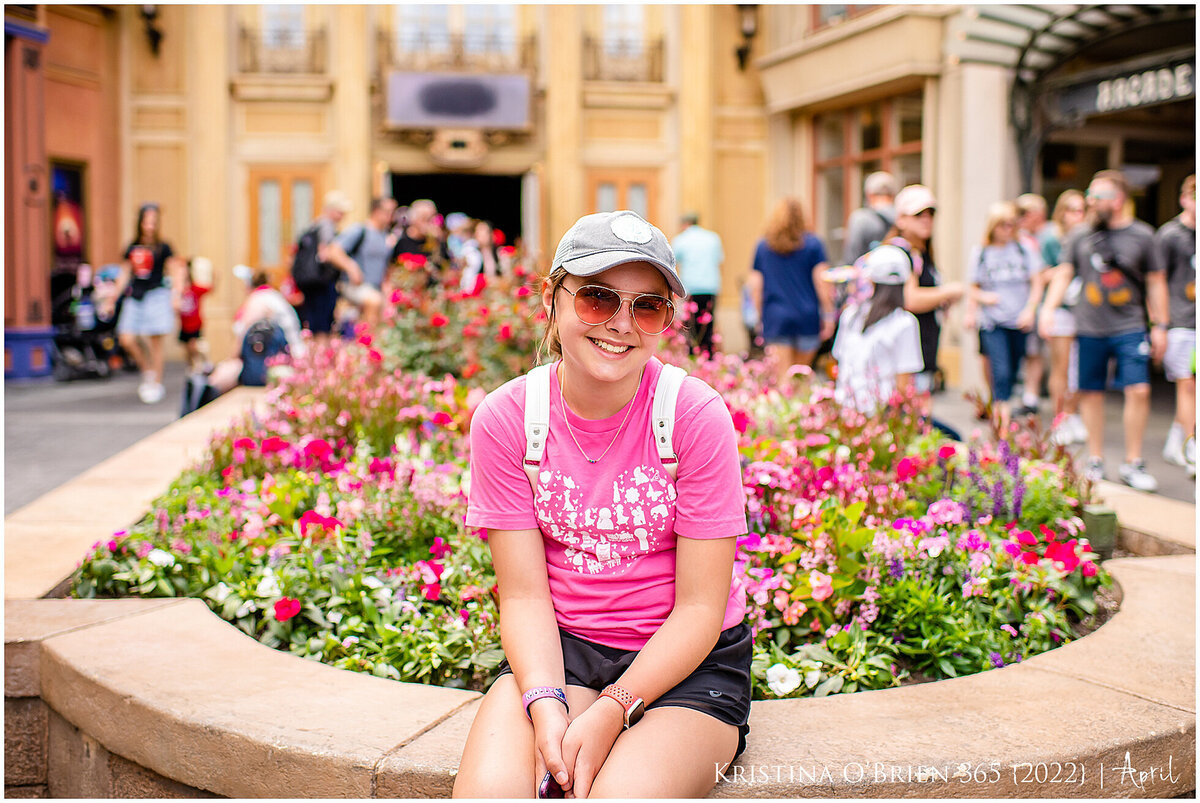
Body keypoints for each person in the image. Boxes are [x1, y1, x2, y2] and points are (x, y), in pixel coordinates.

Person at [455, 210, 750, 799]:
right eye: (596, 298)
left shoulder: (693, 416)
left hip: (688, 664)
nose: (621, 324)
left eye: (647, 306)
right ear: (552, 298)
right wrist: (544, 702)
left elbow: (699, 607)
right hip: (560, 652)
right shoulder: (508, 419)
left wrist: (614, 707)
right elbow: (522, 593)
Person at [1039, 169, 1169, 491]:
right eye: (1090, 195)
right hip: (1090, 326)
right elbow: (1065, 273)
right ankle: (1095, 458)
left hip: (1130, 325)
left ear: (1119, 199)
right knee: (1091, 392)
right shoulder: (1081, 235)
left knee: (1138, 389)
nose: (1091, 201)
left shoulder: (1143, 235)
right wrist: (1048, 308)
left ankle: (1133, 461)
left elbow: (1155, 282)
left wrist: (1161, 325)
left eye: (1098, 196)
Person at [964, 201, 1047, 432]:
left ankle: (1002, 411)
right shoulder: (981, 253)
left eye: (1011, 225)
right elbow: (972, 287)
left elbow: (1037, 283)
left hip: (1018, 321)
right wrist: (979, 303)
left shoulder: (1024, 249)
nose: (1007, 230)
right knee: (999, 371)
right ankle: (1001, 424)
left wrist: (1030, 309)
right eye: (1002, 225)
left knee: (1012, 370)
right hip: (993, 321)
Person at [102, 202, 185, 404]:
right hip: (136, 295)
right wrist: (112, 299)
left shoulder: (163, 247)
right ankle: (147, 371)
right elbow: (124, 274)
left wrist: (176, 294)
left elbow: (176, 270)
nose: (149, 226)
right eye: (146, 222)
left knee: (156, 341)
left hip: (156, 295)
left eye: (153, 222)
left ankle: (156, 382)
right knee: (126, 338)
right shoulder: (132, 247)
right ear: (140, 223)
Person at [746, 197, 836, 383]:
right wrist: (828, 315)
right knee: (801, 377)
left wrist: (759, 315)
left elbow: (755, 285)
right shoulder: (813, 245)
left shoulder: (763, 246)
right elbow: (822, 281)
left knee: (782, 378)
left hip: (776, 316)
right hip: (807, 316)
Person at [886, 185, 964, 398]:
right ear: (901, 219)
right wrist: (947, 292)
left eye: (930, 214)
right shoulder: (899, 253)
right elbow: (910, 299)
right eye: (918, 214)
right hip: (907, 356)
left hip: (924, 348)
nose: (926, 219)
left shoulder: (922, 253)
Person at [832, 244, 924, 413]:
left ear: (870, 280)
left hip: (845, 412)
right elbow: (903, 387)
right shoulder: (904, 322)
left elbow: (840, 366)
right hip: (880, 417)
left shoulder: (851, 316)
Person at [207, 266, 306, 395]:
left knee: (217, 380)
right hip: (292, 357)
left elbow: (242, 335)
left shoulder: (258, 300)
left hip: (279, 363)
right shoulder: (274, 297)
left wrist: (231, 359)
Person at [1156, 174, 1196, 475]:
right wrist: (1161, 324)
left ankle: (1176, 440)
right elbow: (1155, 281)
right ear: (1185, 199)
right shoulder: (1170, 236)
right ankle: (1189, 444)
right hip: (1180, 322)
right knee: (1188, 384)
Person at [1042, 189, 1088, 446]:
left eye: (1081, 209)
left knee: (1080, 368)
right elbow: (1042, 275)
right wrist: (1066, 269)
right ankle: (1060, 416)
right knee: (1061, 366)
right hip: (1061, 309)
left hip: (1084, 310)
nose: (1077, 215)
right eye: (1072, 209)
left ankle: (1073, 413)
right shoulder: (1052, 239)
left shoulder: (1088, 237)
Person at [296, 190, 361, 343]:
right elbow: (327, 253)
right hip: (322, 281)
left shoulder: (313, 225)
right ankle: (321, 357)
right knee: (323, 323)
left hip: (311, 282)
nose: (342, 216)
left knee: (314, 322)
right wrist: (349, 266)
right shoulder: (327, 227)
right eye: (340, 212)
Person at [335, 196, 397, 329]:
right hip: (354, 285)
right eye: (387, 212)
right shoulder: (359, 230)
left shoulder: (386, 235)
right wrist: (351, 267)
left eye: (392, 212)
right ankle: (368, 341)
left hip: (376, 287)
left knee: (388, 310)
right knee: (374, 301)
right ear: (376, 211)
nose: (390, 216)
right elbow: (333, 251)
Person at [1015, 193, 1050, 416]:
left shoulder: (1049, 237)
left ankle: (1031, 394)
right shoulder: (1018, 238)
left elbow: (1061, 267)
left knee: (1034, 352)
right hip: (1018, 303)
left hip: (1039, 303)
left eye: (1026, 214)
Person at [671, 211, 725, 357]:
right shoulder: (713, 238)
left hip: (691, 289)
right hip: (710, 288)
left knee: (691, 328)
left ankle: (693, 359)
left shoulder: (681, 239)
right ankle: (708, 359)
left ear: (684, 224)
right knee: (708, 327)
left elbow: (672, 263)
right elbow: (719, 263)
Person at [842, 171, 899, 265]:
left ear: (869, 195)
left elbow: (852, 255)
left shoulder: (860, 219)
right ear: (893, 195)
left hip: (867, 275)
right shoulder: (902, 217)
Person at [392, 198, 451, 284]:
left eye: (432, 218)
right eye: (425, 219)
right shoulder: (402, 242)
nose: (431, 223)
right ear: (414, 219)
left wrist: (439, 240)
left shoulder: (437, 241)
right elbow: (394, 270)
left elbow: (445, 268)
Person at [177, 256, 213, 374]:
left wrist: (213, 276)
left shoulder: (195, 288)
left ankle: (202, 362)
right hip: (184, 323)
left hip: (195, 323)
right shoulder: (180, 290)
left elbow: (209, 289)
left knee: (194, 345)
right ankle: (192, 365)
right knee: (187, 348)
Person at [460, 219, 501, 294]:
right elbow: (469, 279)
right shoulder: (472, 254)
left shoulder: (496, 253)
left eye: (485, 232)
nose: (482, 235)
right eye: (479, 232)